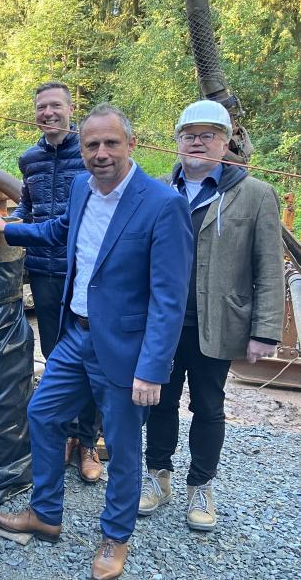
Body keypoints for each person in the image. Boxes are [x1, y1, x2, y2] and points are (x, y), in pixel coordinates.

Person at [0, 103, 193, 580]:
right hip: (77, 336)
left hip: (125, 349)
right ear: (82, 148)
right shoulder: (80, 188)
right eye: (91, 144)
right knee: (42, 413)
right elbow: (60, 231)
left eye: (110, 143)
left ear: (130, 145)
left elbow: (170, 297)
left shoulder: (162, 204)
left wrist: (153, 367)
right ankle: (46, 515)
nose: (100, 153)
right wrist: (8, 230)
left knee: (121, 444)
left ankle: (115, 539)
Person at [139, 100, 283, 531]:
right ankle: (157, 476)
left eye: (208, 135)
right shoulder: (158, 191)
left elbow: (269, 268)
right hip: (163, 324)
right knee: (158, 402)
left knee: (209, 406)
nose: (197, 142)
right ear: (177, 141)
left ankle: (200, 485)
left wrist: (266, 332)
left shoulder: (255, 195)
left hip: (217, 323)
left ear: (225, 143)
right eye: (189, 135)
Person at [12, 81, 102, 483]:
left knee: (91, 358)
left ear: (71, 109)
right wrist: (9, 223)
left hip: (83, 273)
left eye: (55, 106)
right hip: (45, 271)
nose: (48, 113)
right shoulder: (28, 159)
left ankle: (88, 443)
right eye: (42, 107)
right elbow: (26, 207)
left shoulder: (89, 157)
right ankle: (66, 435)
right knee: (55, 356)